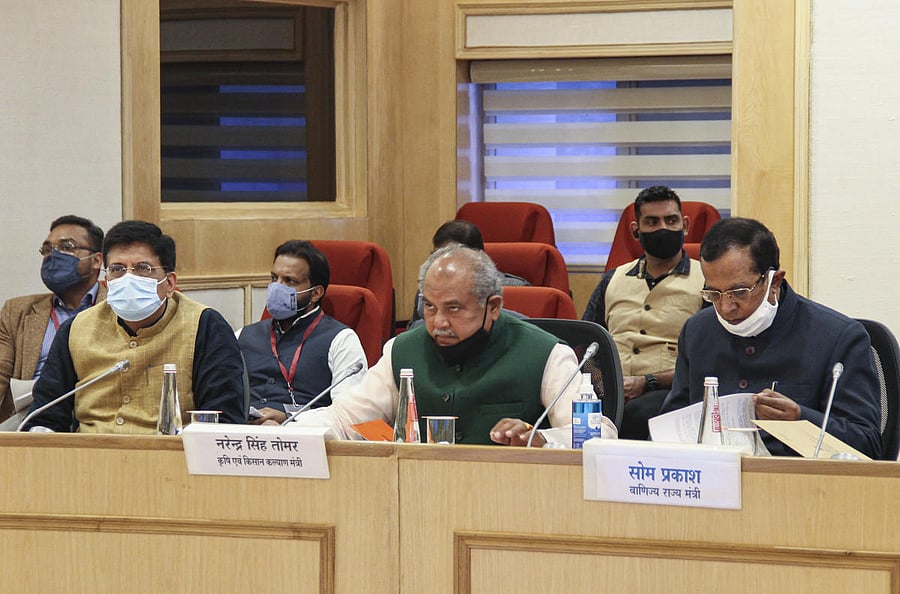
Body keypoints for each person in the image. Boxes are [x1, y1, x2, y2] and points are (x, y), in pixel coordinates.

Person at [292, 243, 617, 446]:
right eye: (430, 307)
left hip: (511, 502)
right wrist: (286, 433)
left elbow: (599, 434)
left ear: (493, 307)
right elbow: (347, 418)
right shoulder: (402, 350)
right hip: (421, 497)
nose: (438, 322)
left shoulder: (546, 354)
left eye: (454, 308)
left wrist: (541, 437)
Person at [660, 217, 882, 458]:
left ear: (773, 282)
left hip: (799, 483)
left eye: (739, 292)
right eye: (713, 293)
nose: (725, 307)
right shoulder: (698, 330)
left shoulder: (839, 337)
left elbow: (867, 445)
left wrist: (800, 419)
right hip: (715, 481)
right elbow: (670, 425)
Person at [23, 220, 247, 432]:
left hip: (171, 462)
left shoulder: (205, 326)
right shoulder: (76, 329)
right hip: (89, 461)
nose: (128, 278)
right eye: (118, 269)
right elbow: (46, 416)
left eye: (143, 268)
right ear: (107, 281)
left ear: (169, 283)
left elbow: (222, 420)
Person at [583, 187, 705, 439]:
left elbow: (707, 362)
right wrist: (600, 384)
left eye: (671, 220)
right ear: (635, 230)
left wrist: (647, 381)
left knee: (635, 415)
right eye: (652, 222)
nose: (663, 228)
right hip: (609, 389)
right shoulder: (612, 279)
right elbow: (586, 344)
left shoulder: (707, 281)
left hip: (669, 392)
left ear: (685, 225)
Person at [238, 240, 367, 425]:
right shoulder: (242, 335)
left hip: (304, 440)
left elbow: (349, 414)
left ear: (315, 293)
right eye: (274, 278)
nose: (277, 287)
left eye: (289, 281)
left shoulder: (342, 340)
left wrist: (290, 419)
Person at [0, 215, 105, 423]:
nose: (54, 255)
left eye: (67, 246)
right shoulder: (17, 311)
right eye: (48, 249)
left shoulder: (118, 306)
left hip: (96, 417)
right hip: (31, 415)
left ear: (96, 260)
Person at [407, 220, 528, 329]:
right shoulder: (430, 285)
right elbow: (414, 327)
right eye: (436, 255)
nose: (442, 262)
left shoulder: (517, 287)